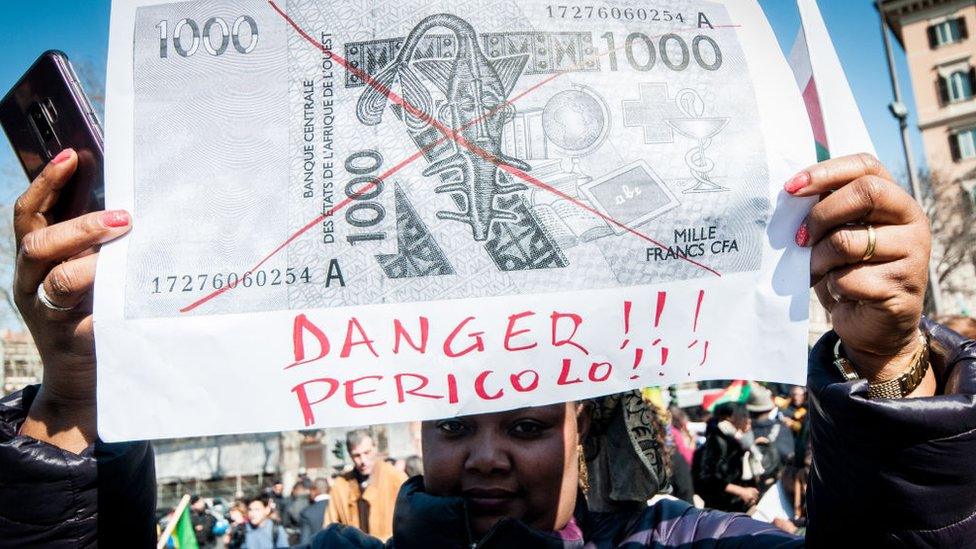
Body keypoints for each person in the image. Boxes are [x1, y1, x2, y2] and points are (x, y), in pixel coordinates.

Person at [1, 151, 975, 546]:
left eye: (522, 423)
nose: (485, 457)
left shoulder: (691, 543)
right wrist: (70, 408)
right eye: (454, 420)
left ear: (585, 423)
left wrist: (893, 371)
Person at [324, 429, 407, 540]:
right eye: (357, 455)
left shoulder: (395, 478)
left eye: (367, 453)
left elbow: (412, 521)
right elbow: (330, 527)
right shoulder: (341, 485)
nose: (363, 460)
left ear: (375, 448)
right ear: (350, 455)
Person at [692, 402, 759, 512]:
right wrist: (740, 491)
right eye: (743, 415)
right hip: (722, 509)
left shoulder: (734, 439)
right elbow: (706, 478)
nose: (748, 419)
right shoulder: (717, 441)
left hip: (735, 506)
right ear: (729, 418)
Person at [299, 478, 331, 543]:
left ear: (315, 490)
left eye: (311, 489)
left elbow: (305, 542)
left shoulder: (307, 513)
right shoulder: (340, 508)